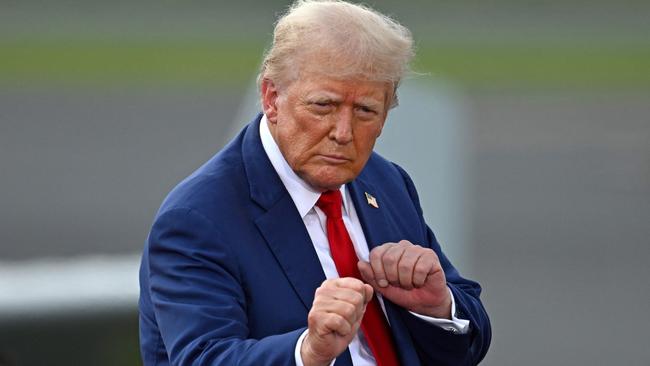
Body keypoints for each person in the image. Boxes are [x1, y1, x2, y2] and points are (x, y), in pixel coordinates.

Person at [138, 1, 491, 365]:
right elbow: (203, 358)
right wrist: (308, 352)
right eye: (323, 105)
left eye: (365, 111)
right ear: (272, 98)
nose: (343, 133)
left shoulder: (386, 182)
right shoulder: (197, 217)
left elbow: (469, 341)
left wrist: (436, 307)